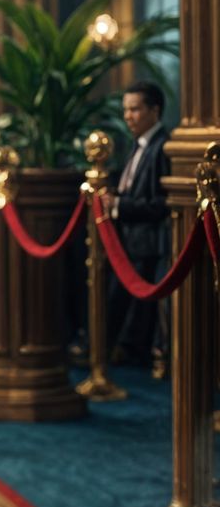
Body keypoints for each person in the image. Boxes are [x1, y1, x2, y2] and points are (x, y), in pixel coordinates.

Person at [106, 81, 172, 372]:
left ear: (154, 111)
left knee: (142, 308)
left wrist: (119, 205)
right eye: (126, 110)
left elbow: (161, 203)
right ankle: (118, 348)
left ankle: (135, 353)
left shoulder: (163, 147)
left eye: (134, 109)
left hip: (149, 243)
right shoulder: (137, 144)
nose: (128, 117)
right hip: (128, 240)